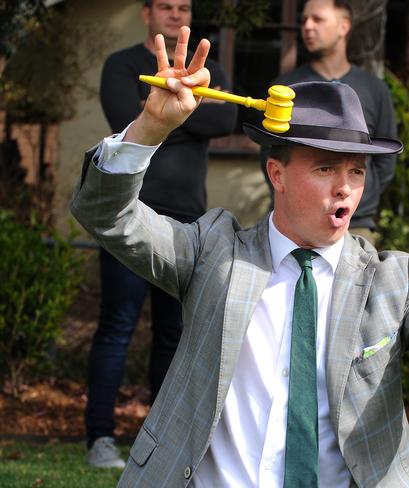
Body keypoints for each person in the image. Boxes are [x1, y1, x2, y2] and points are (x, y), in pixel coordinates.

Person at [71, 27, 409, 487]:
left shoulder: (394, 278)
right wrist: (151, 129)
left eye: (356, 171)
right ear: (277, 173)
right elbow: (108, 216)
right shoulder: (213, 251)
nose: (346, 189)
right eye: (326, 168)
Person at [86, 0, 237, 469]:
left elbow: (225, 120)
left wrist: (163, 114)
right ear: (146, 14)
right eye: (166, 7)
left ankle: (161, 436)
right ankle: (100, 438)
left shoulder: (204, 71)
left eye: (185, 7)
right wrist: (176, 117)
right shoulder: (123, 65)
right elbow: (122, 125)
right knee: (118, 326)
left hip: (186, 221)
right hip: (132, 215)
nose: (176, 15)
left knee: (174, 334)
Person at [260, 0, 398, 244]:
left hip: (356, 225)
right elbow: (269, 151)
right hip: (295, 225)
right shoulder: (286, 87)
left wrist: (362, 197)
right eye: (303, 20)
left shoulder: (375, 89)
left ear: (344, 26)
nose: (307, 27)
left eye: (318, 19)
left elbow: (386, 162)